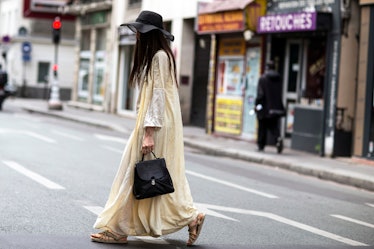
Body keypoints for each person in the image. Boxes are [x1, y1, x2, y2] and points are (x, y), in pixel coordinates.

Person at [90, 11, 205, 246]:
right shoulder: (157, 56)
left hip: (156, 126)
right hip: (153, 124)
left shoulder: (160, 57)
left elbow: (159, 97)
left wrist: (149, 133)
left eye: (140, 32)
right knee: (152, 177)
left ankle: (118, 229)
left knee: (134, 175)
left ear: (150, 34)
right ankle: (191, 217)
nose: (137, 37)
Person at [255, 61, 285, 153]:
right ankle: (278, 139)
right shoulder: (279, 78)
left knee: (262, 127)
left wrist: (257, 105)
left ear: (266, 68)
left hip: (264, 107)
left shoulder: (263, 79)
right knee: (273, 126)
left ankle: (261, 145)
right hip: (276, 108)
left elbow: (260, 94)